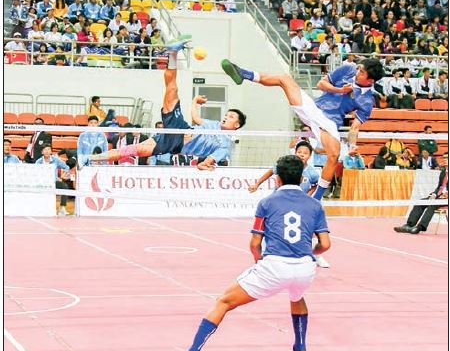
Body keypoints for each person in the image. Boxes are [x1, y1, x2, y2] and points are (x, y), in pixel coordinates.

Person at [173, 154, 331, 351]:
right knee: (297, 295)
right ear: (302, 177)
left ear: (277, 178)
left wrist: (259, 262)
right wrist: (309, 253)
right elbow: (325, 244)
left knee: (223, 301)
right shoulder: (315, 205)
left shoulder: (267, 202)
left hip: (275, 266)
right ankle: (300, 349)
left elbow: (255, 243)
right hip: (305, 269)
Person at [221, 57, 384, 200]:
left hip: (329, 123)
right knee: (284, 79)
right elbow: (321, 84)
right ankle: (243, 73)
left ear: (370, 80)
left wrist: (352, 145)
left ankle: (317, 198)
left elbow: (354, 128)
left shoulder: (367, 101)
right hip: (313, 109)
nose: (357, 72)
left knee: (334, 155)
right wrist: (340, 90)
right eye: (359, 68)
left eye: (362, 72)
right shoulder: (348, 69)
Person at [90, 36, 247, 170]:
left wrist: (204, 165)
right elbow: (195, 119)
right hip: (180, 127)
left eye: (231, 117)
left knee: (131, 151)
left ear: (237, 125)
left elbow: (206, 162)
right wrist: (194, 101)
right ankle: (173, 53)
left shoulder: (225, 145)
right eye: (227, 114)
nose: (226, 117)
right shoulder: (214, 124)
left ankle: (91, 159)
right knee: (172, 88)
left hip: (173, 144)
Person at [394, 153, 448, 234]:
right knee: (421, 202)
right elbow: (440, 187)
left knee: (432, 204)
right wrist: (434, 194)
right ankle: (409, 225)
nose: (445, 159)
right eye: (444, 158)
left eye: (447, 158)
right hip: (439, 196)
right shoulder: (443, 172)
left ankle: (420, 227)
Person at [35, 143, 71, 216]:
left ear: (51, 151)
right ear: (42, 152)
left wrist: (62, 175)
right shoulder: (38, 162)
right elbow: (35, 173)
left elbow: (67, 167)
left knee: (64, 186)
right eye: (45, 150)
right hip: (42, 183)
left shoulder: (55, 160)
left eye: (48, 149)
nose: (47, 151)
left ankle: (62, 208)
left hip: (53, 182)